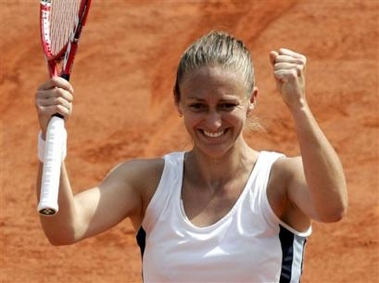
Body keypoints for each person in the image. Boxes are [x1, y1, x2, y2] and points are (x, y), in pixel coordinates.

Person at [35, 31, 348, 282]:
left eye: (227, 106)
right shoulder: (146, 182)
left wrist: (299, 106)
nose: (213, 123)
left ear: (251, 100)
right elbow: (65, 228)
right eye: (198, 106)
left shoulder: (280, 179)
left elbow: (332, 207)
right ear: (178, 101)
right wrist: (49, 135)